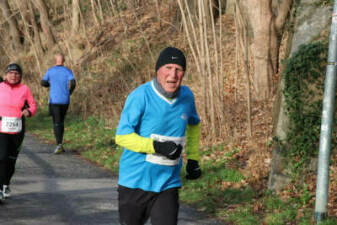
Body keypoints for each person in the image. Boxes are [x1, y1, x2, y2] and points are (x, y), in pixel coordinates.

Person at [115, 47, 202, 225]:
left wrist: (193, 158)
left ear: (184, 73)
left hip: (167, 183)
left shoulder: (187, 96)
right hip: (135, 182)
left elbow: (194, 124)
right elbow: (122, 136)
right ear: (158, 70)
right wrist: (157, 146)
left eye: (178, 69)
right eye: (168, 68)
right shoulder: (141, 96)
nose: (173, 75)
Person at [0, 63, 37, 200]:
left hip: (17, 128)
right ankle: (0, 188)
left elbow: (33, 105)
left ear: (20, 76)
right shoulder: (0, 87)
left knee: (11, 159)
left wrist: (29, 111)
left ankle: (6, 184)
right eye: (11, 73)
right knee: (2, 157)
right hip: (1, 128)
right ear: (6, 75)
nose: (13, 76)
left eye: (16, 74)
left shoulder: (25, 89)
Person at [41, 53, 76, 154]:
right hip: (65, 100)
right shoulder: (67, 70)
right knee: (61, 121)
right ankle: (60, 144)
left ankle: (59, 144)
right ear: (64, 60)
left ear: (55, 60)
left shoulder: (50, 70)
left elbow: (42, 82)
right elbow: (73, 83)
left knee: (56, 122)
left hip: (54, 100)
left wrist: (50, 84)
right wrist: (70, 92)